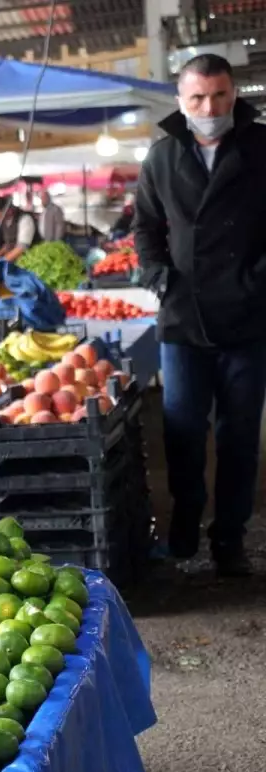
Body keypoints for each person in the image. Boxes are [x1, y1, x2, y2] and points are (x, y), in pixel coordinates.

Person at [133, 53, 266, 577]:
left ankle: (229, 539)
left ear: (234, 93)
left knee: (239, 437)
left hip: (249, 318)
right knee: (183, 431)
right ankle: (184, 531)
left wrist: (256, 281)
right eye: (198, 98)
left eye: (219, 95)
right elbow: (145, 228)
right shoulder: (162, 157)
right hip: (184, 320)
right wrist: (158, 277)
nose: (210, 107)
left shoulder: (261, 148)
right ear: (180, 102)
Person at [0, 196, 39, 263]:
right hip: (14, 262)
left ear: (6, 210)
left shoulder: (25, 219)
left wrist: (1, 262)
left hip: (28, 262)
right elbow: (9, 244)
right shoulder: (5, 222)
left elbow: (21, 248)